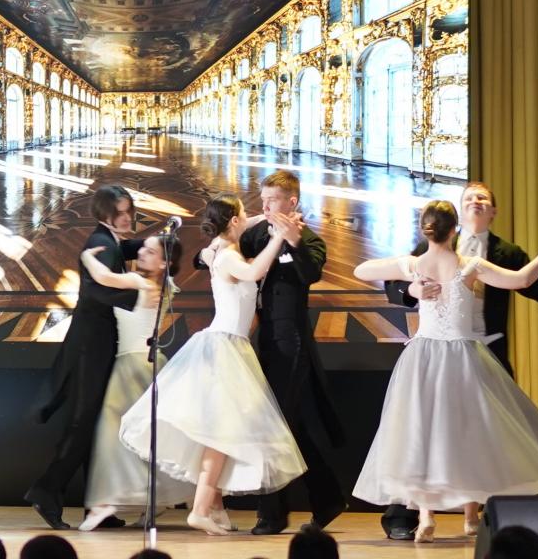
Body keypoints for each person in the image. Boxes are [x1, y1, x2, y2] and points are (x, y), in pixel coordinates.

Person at [350, 201, 538, 543]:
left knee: (424, 435)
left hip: (423, 358)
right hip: (462, 357)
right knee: (468, 432)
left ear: (425, 229)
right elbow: (522, 279)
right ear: (454, 230)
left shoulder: (414, 263)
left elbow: (361, 270)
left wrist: (412, 283)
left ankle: (427, 515)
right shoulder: (469, 266)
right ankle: (470, 516)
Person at [121, 194, 305, 536]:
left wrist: (272, 219)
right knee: (221, 434)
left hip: (227, 345)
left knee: (219, 430)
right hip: (225, 347)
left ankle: (214, 507)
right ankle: (201, 508)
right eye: (243, 215)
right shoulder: (230, 256)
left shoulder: (215, 248)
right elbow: (255, 271)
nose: (249, 217)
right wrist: (279, 237)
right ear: (233, 221)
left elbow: (246, 225)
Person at [28, 184, 144, 530]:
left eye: (129, 211)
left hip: (97, 340)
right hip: (91, 343)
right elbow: (97, 292)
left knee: (92, 425)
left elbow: (127, 247)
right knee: (83, 422)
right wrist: (138, 291)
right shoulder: (100, 243)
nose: (127, 218)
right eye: (120, 213)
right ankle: (47, 491)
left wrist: (155, 242)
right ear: (105, 213)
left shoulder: (107, 241)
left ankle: (97, 506)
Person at [244, 171, 345, 536]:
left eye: (272, 200)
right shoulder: (257, 234)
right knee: (292, 427)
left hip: (292, 344)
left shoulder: (310, 241)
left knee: (273, 424)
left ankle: (271, 514)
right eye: (263, 199)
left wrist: (294, 241)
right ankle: (328, 498)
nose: (265, 206)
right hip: (262, 340)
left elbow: (309, 273)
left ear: (292, 202)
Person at [72, 235, 187, 530]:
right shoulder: (166, 285)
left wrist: (86, 257)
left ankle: (106, 503)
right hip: (150, 364)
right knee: (142, 438)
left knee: (113, 434)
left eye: (150, 251)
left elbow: (103, 277)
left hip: (132, 365)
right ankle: (150, 501)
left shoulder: (141, 283)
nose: (142, 253)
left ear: (164, 263)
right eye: (143, 248)